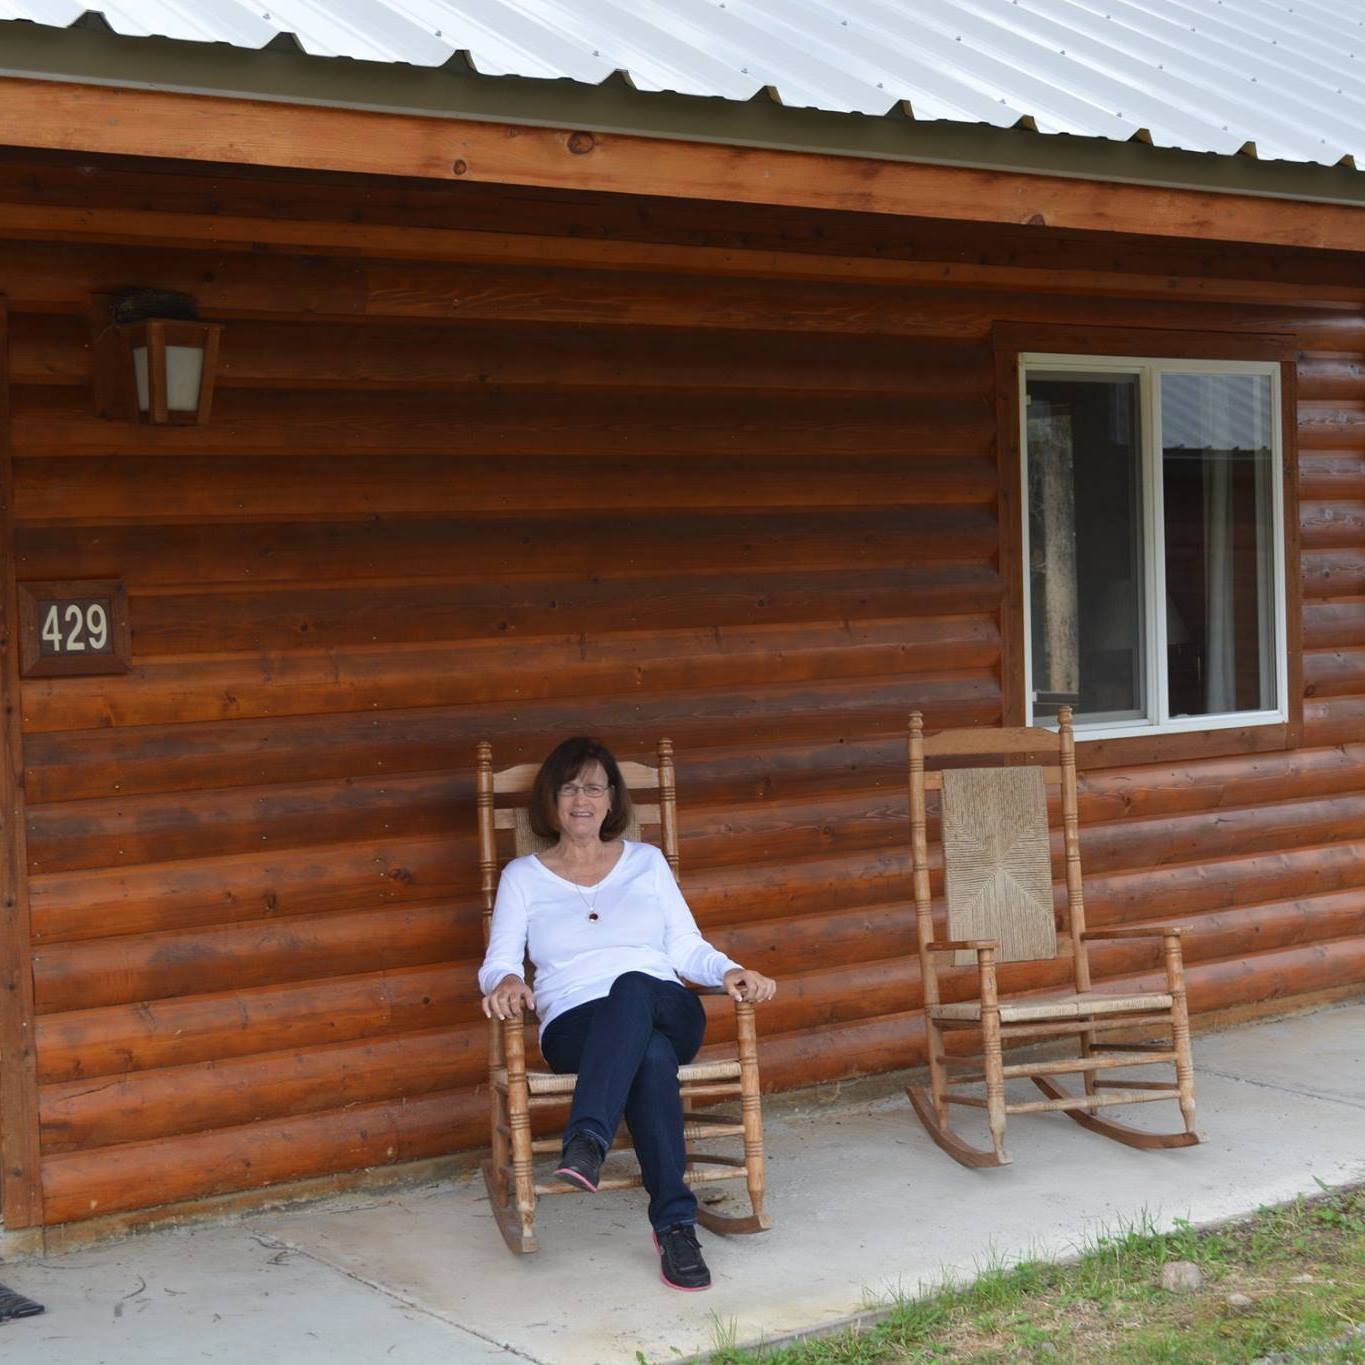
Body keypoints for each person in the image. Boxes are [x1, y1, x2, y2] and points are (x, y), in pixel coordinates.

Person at [479, 736, 777, 1291]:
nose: (582, 800)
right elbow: (499, 961)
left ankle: (588, 1138)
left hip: (665, 1004)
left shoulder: (646, 862)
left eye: (594, 787)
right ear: (550, 801)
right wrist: (508, 981)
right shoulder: (523, 876)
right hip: (576, 1025)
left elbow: (685, 945)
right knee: (651, 1058)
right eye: (569, 789)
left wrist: (728, 969)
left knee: (634, 986)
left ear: (612, 799)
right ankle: (675, 1226)